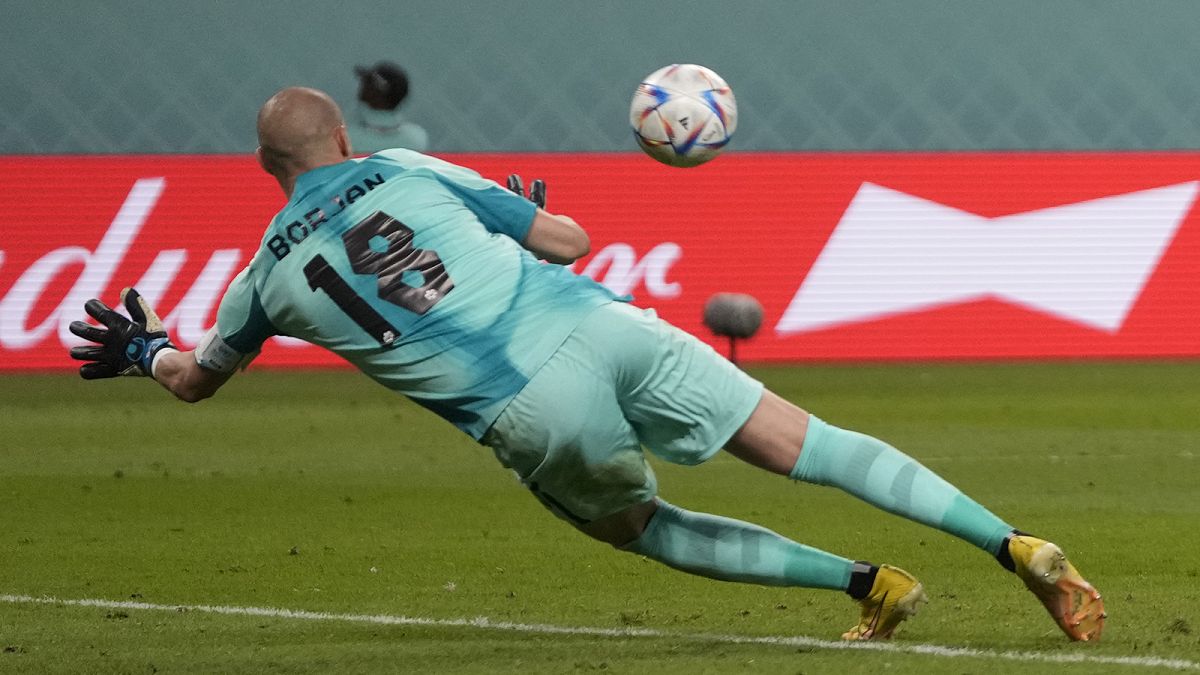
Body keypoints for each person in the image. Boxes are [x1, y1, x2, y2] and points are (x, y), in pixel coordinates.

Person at [67, 86, 1105, 642]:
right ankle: (1009, 542)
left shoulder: (262, 277)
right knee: (809, 442)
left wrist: (146, 348)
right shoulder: (407, 164)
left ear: (267, 171)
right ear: (342, 136)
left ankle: (868, 584)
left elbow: (196, 375)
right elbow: (564, 241)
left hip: (528, 409)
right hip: (601, 323)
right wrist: (519, 215)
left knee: (638, 527)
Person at [347, 61, 429, 154]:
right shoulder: (418, 138)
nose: (362, 84)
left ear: (377, 93)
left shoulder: (347, 138)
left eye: (368, 82)